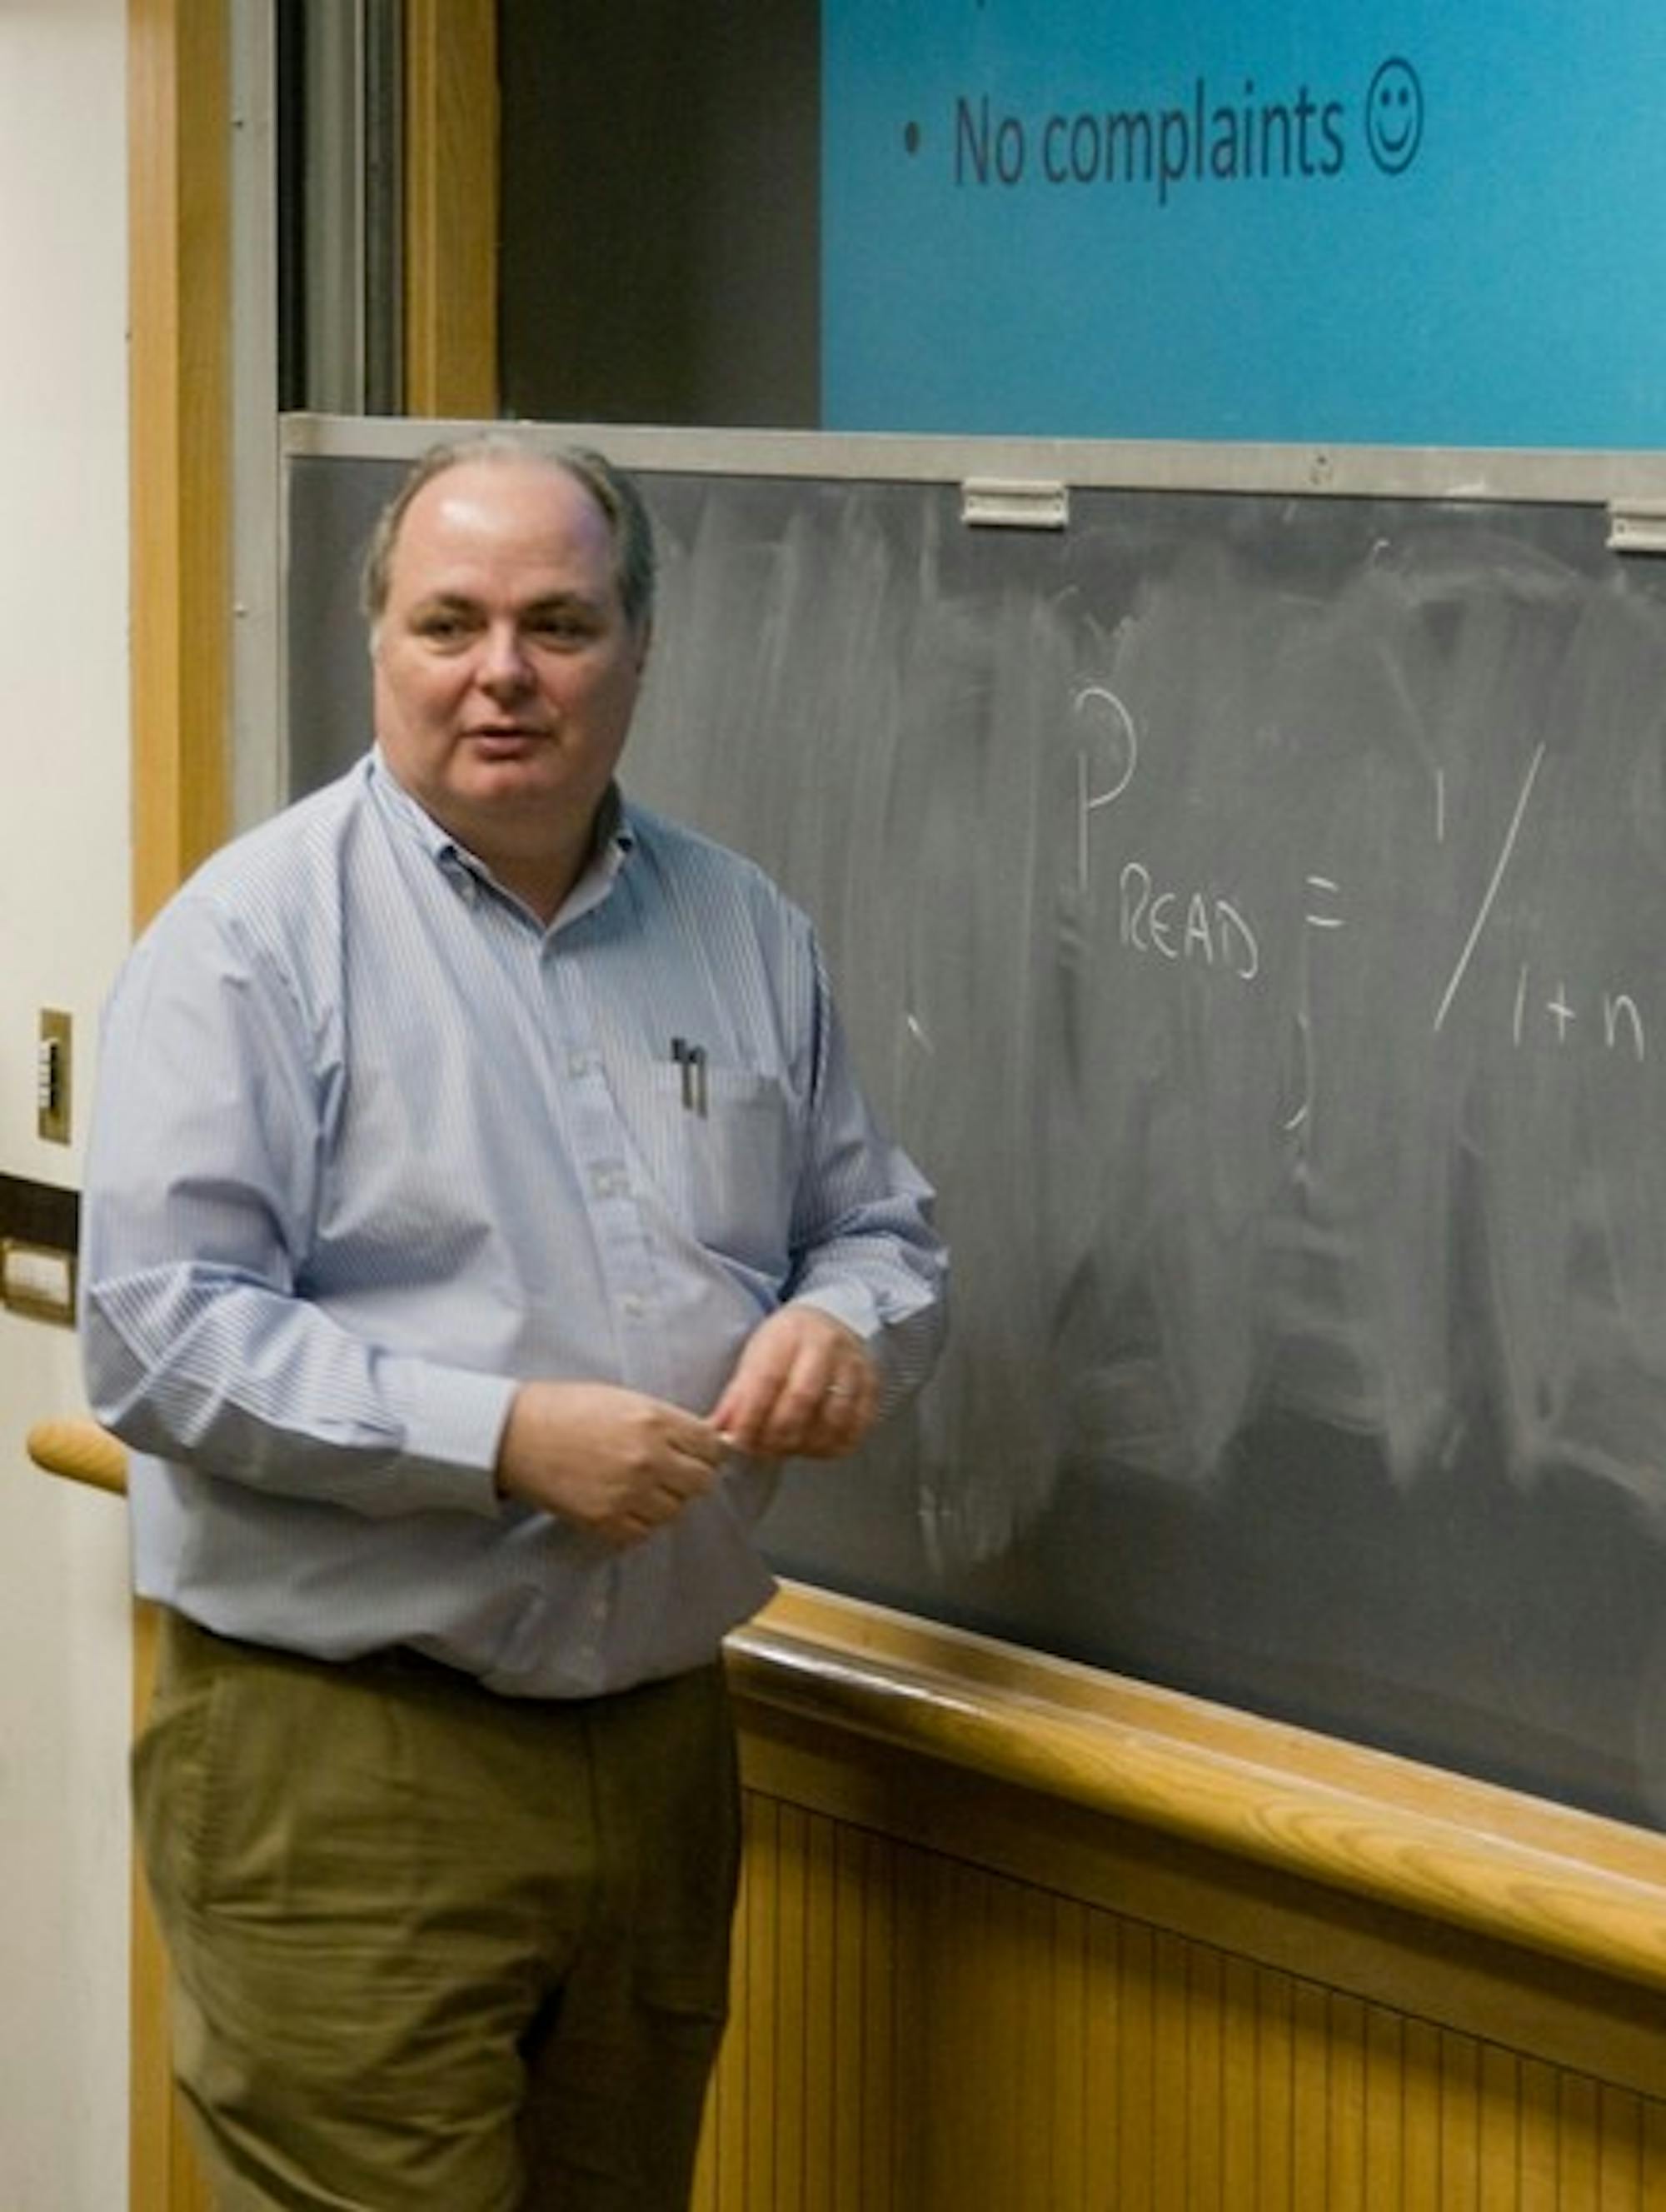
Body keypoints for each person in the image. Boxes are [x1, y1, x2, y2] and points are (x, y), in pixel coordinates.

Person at [79, 434, 946, 2211]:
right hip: (347, 1754)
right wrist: (497, 1437)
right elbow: (158, 1335)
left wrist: (853, 1323)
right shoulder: (252, 940)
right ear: (376, 646)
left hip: (658, 1745)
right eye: (449, 622)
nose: (503, 672)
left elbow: (874, 1226)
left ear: (637, 649)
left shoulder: (739, 928)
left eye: (558, 623)